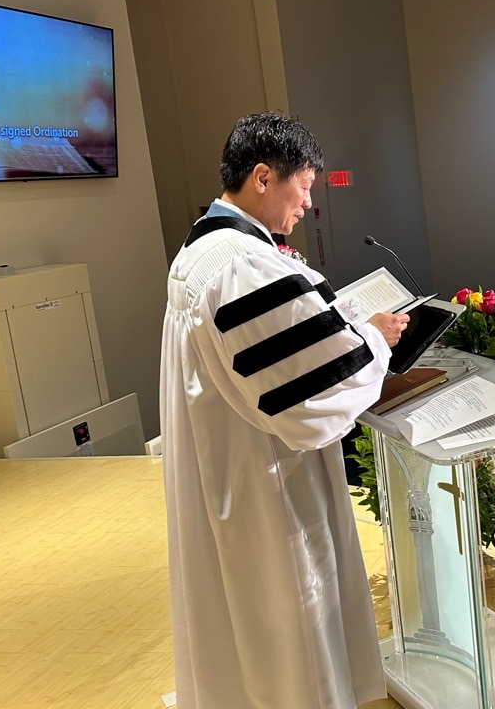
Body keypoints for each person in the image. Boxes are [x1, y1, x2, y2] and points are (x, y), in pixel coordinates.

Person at [160, 112, 409, 709]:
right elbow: (307, 395)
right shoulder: (240, 263)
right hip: (267, 480)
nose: (308, 204)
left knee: (243, 635)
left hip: (229, 464)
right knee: (292, 641)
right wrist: (373, 339)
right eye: (304, 187)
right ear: (263, 177)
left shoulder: (203, 250)